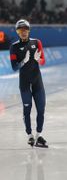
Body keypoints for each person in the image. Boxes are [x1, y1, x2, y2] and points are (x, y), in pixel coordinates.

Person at [9, 19, 48, 148]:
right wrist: (23, 62)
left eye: (25, 30)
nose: (23, 32)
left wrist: (39, 60)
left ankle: (38, 135)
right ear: (17, 32)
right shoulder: (14, 47)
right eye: (21, 30)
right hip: (24, 82)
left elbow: (43, 61)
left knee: (41, 109)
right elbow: (14, 67)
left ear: (29, 30)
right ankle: (29, 135)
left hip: (37, 81)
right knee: (27, 109)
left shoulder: (37, 43)